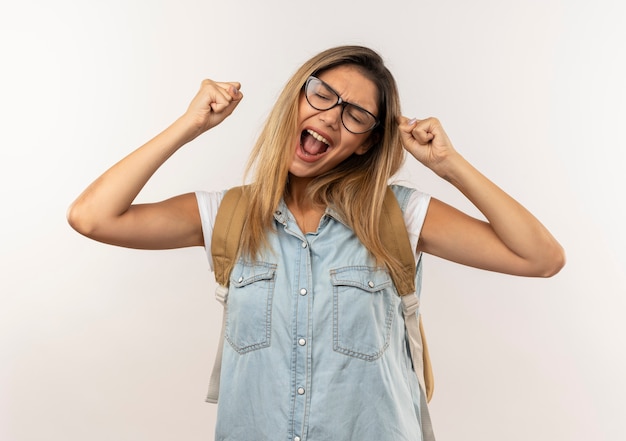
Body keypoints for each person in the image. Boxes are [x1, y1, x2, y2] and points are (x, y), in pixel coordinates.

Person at [68, 46, 565, 441]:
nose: (331, 117)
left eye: (356, 115)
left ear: (368, 141)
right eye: (323, 95)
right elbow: (91, 217)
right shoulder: (229, 215)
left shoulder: (396, 214)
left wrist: (448, 164)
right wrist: (189, 125)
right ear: (297, 98)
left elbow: (541, 257)